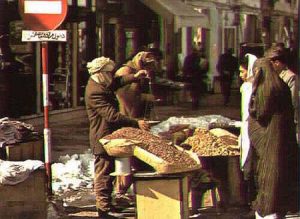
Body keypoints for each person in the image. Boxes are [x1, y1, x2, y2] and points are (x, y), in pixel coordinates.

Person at [84, 56, 150, 219]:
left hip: (110, 135)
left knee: (111, 170)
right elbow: (112, 116)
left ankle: (108, 204)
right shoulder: (95, 92)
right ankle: (104, 210)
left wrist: (135, 76)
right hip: (102, 136)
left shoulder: (102, 82)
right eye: (109, 73)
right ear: (100, 72)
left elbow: (117, 82)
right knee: (103, 173)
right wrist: (136, 123)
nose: (111, 76)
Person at [248, 58, 298, 218]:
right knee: (280, 183)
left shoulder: (266, 88)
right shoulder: (281, 85)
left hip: (272, 144)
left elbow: (259, 113)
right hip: (284, 142)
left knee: (270, 183)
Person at [264, 47, 298, 140]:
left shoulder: (290, 77)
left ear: (277, 63)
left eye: (270, 64)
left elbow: (292, 100)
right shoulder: (273, 76)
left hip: (285, 118)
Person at [238, 53, 257, 215]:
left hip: (253, 132)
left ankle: (253, 203)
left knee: (252, 167)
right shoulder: (245, 87)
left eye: (242, 71)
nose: (240, 75)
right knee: (247, 166)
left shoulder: (255, 87)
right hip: (246, 130)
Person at [182, 43, 209, 109]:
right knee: (196, 91)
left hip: (191, 76)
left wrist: (186, 74)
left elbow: (185, 67)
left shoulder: (188, 58)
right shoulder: (198, 58)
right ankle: (195, 102)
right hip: (197, 76)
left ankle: (194, 102)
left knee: (193, 91)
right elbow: (203, 68)